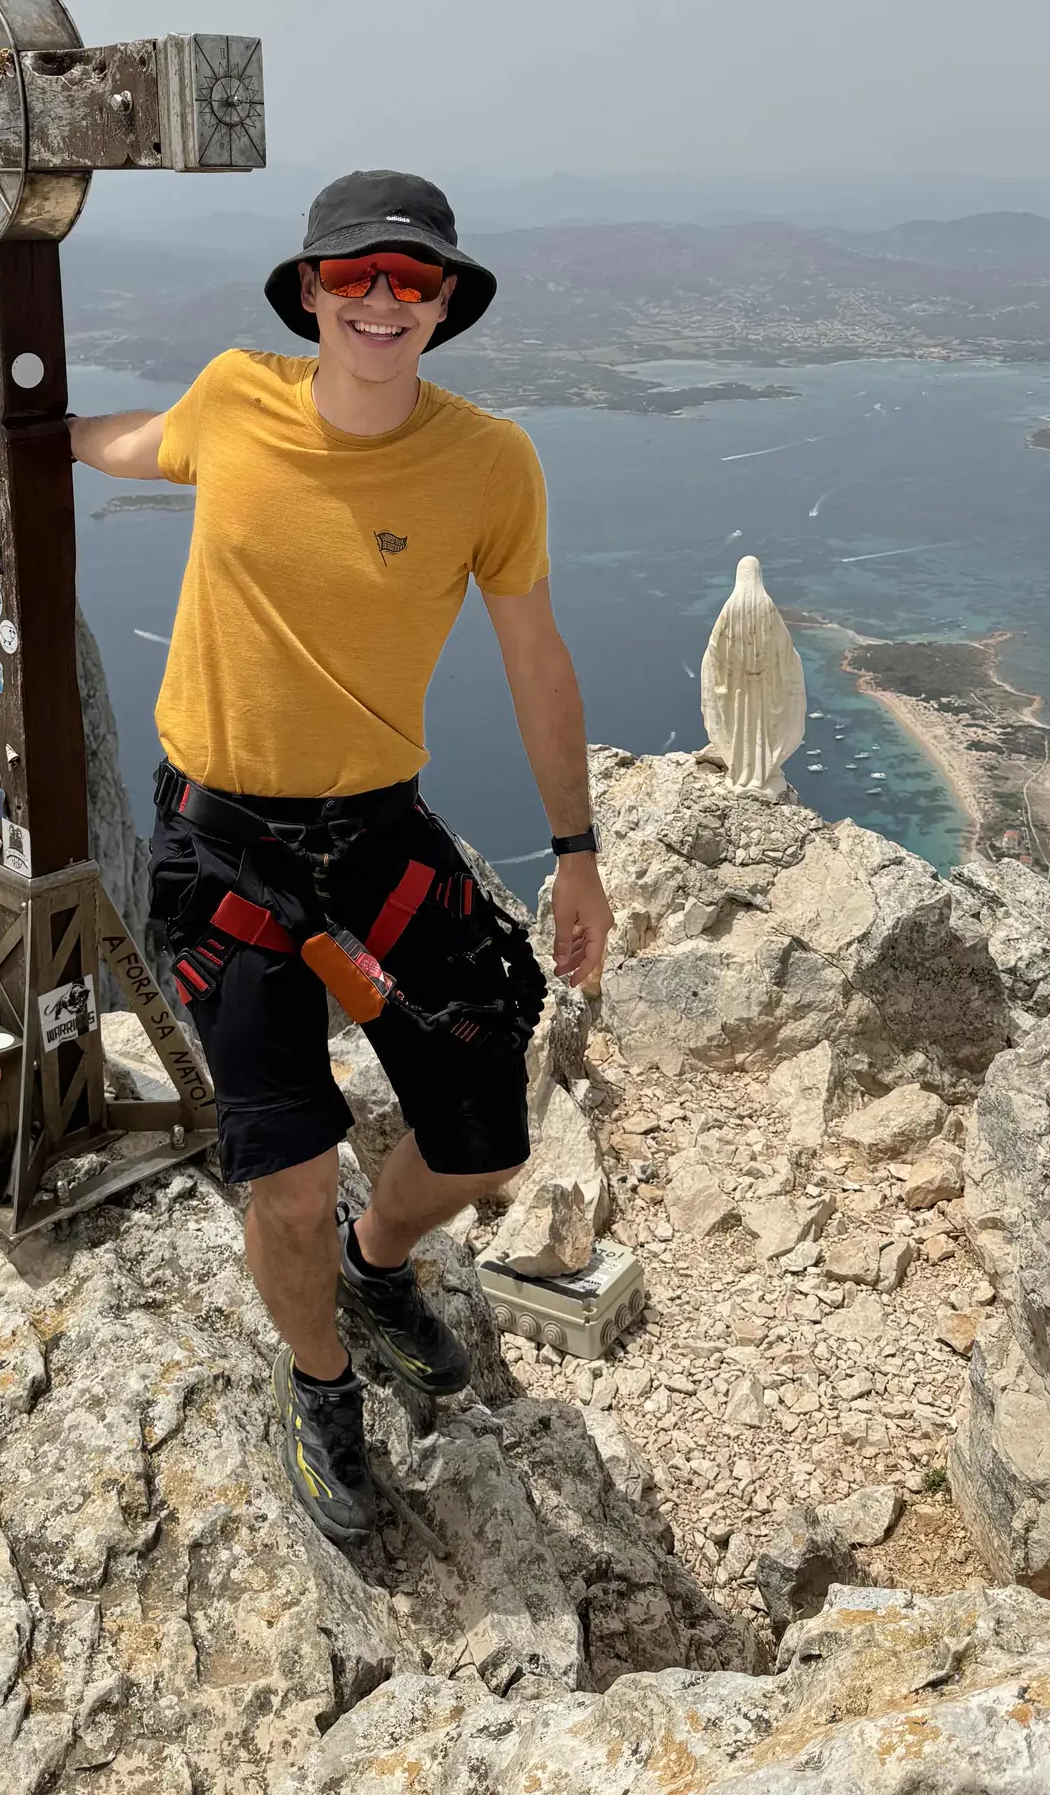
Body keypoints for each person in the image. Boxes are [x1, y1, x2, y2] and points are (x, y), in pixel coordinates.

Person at [68, 169, 613, 1544]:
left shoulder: (490, 463)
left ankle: (379, 1266)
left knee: (484, 1132)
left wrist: (578, 852)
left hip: (377, 829)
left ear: (444, 302)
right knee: (292, 1178)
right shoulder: (233, 399)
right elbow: (133, 443)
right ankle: (317, 1382)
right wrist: (25, 430)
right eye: (355, 274)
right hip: (222, 846)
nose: (382, 298)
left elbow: (537, 661)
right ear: (310, 291)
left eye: (411, 278)